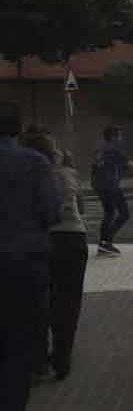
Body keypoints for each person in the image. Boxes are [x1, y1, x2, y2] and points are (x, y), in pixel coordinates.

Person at [0, 103, 60, 410]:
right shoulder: (34, 162)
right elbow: (51, 212)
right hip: (25, 265)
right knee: (22, 343)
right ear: (18, 128)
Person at [19, 133, 88, 381]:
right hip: (72, 238)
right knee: (69, 301)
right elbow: (80, 208)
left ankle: (38, 360)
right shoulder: (68, 174)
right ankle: (63, 359)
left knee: (39, 301)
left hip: (41, 241)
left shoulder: (24, 177)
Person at [92, 125, 133, 256]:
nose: (121, 138)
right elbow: (132, 166)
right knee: (124, 213)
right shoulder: (117, 150)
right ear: (113, 136)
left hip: (99, 185)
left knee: (109, 213)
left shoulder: (101, 148)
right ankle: (107, 241)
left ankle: (103, 244)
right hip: (111, 185)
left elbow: (98, 164)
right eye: (119, 135)